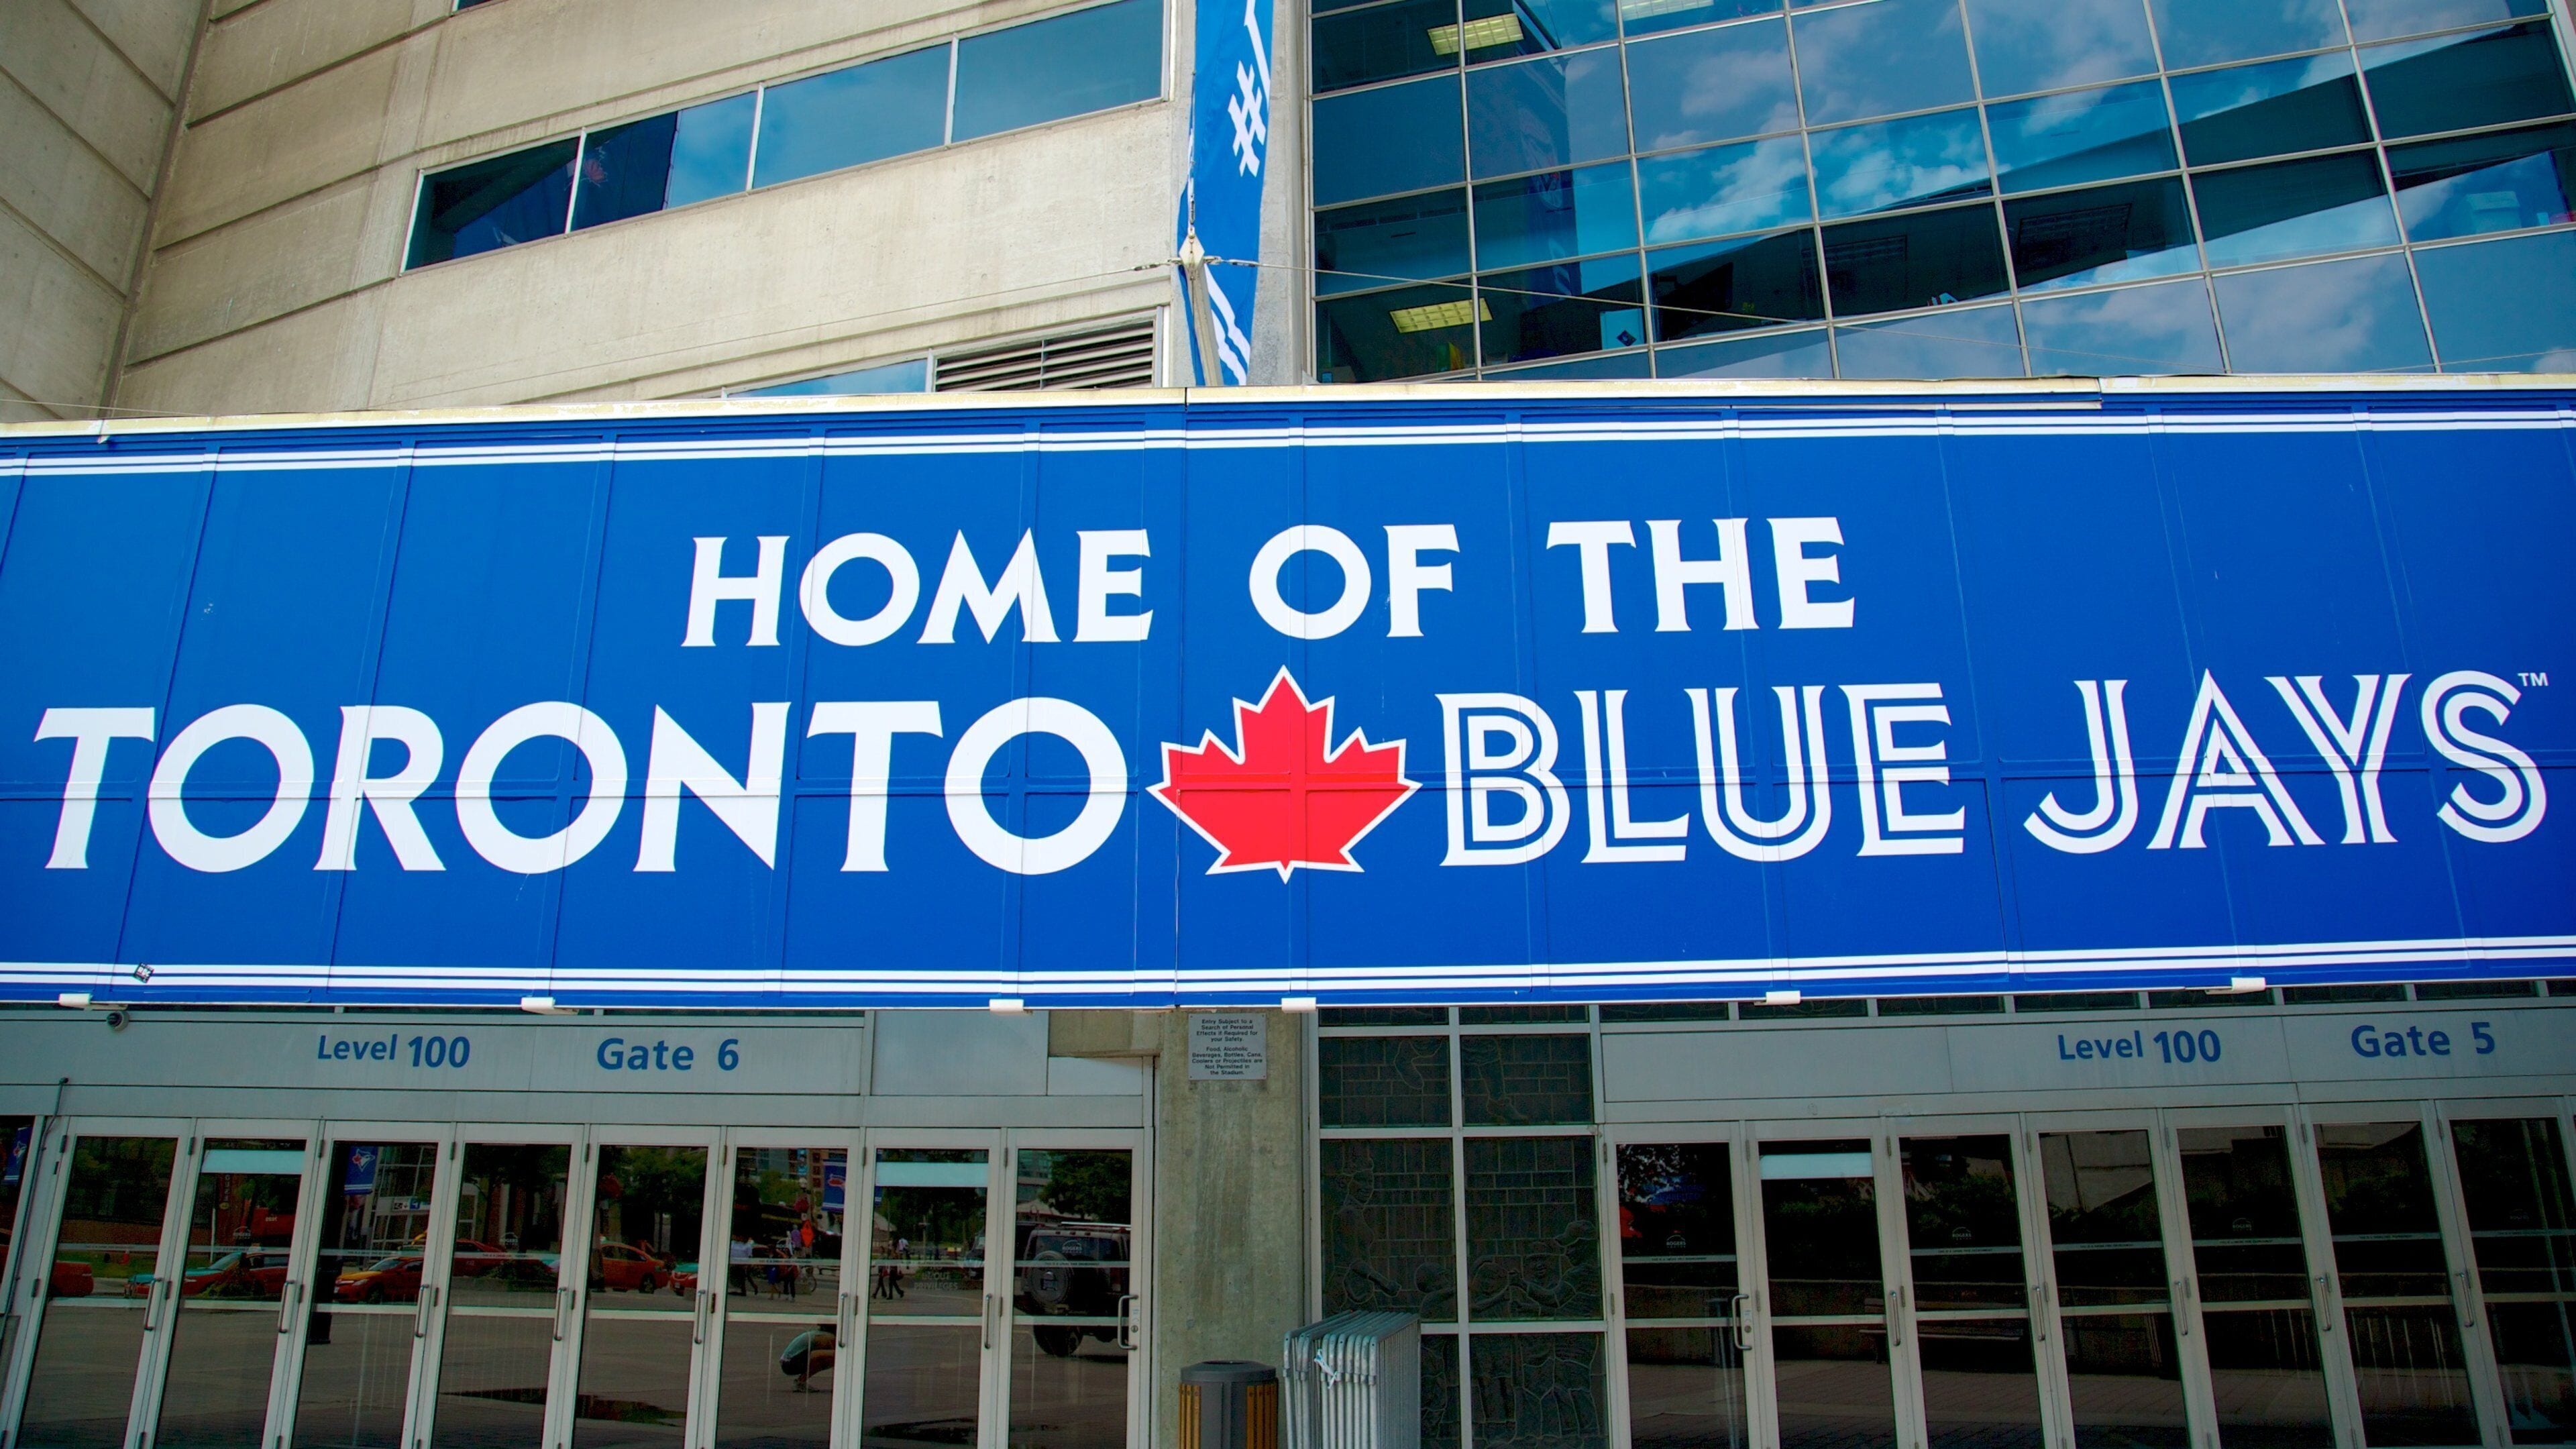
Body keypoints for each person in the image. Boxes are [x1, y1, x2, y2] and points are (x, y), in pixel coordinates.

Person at [779, 1325, 835, 1392]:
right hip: (791, 1364)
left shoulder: (818, 1333)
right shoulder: (827, 1337)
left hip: (788, 1362)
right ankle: (801, 1382)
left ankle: (801, 1382)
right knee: (835, 1356)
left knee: (831, 1356)